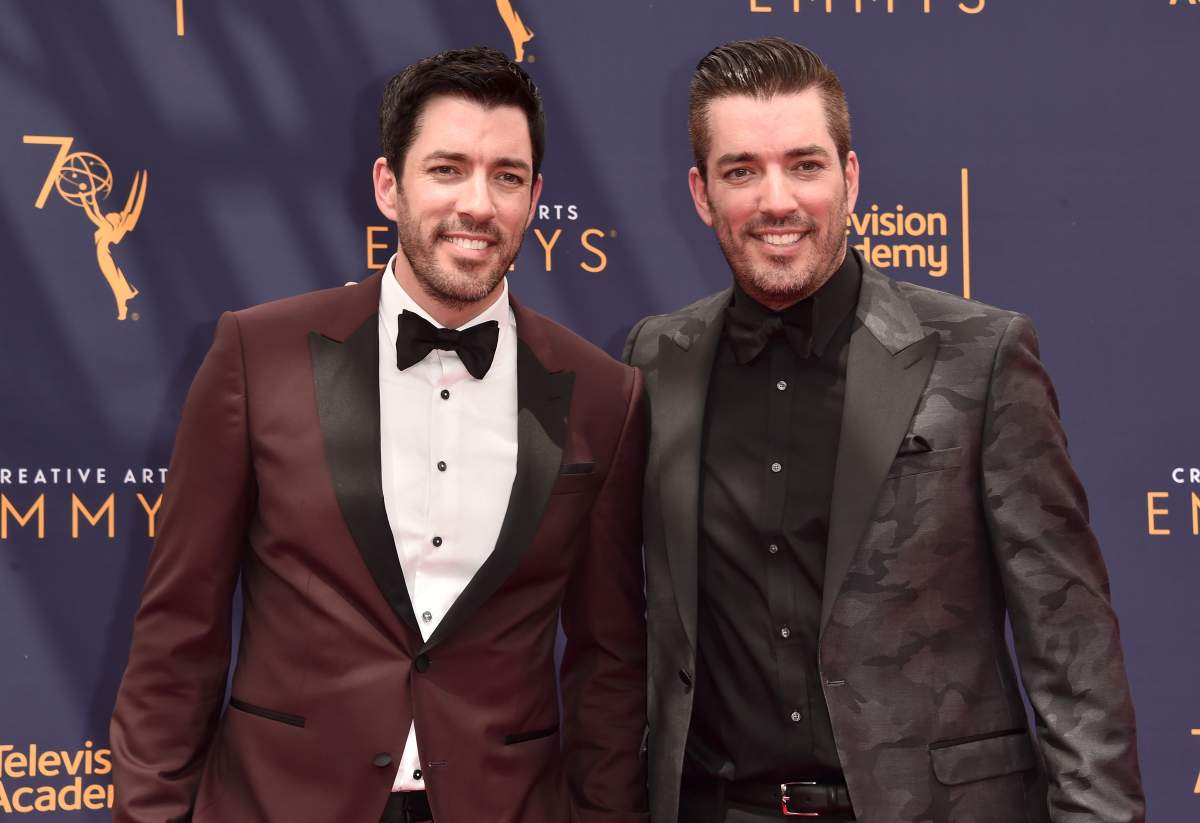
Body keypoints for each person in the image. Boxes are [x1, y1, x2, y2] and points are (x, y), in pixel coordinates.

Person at [111, 46, 648, 823]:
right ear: (388, 186)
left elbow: (608, 665)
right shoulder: (255, 357)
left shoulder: (604, 393)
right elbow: (177, 634)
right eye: (447, 169)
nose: (477, 203)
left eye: (506, 176)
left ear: (534, 197)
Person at [624, 37, 1144, 823]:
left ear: (850, 178)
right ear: (701, 193)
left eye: (805, 164)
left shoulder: (981, 356)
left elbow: (1072, 648)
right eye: (741, 171)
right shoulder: (655, 360)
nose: (777, 200)